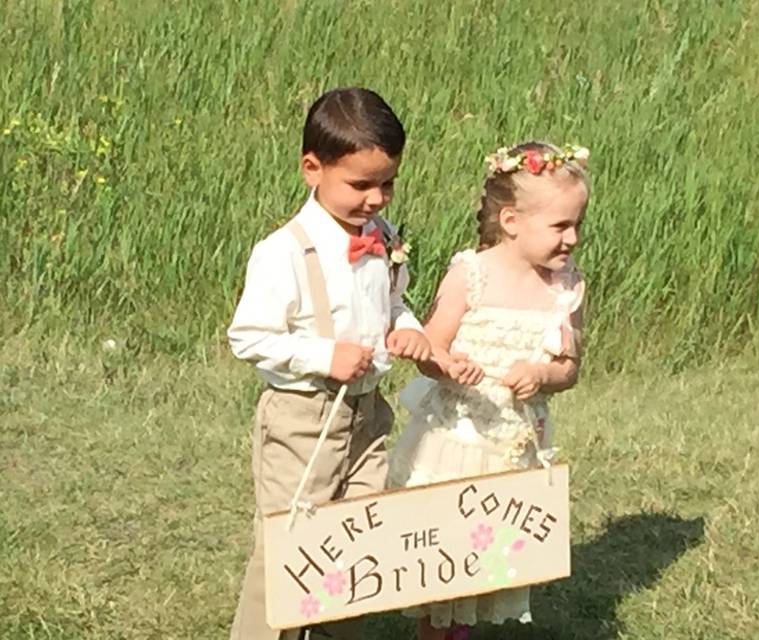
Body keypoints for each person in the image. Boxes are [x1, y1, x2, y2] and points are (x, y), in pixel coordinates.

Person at [227, 87, 431, 640]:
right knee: (290, 544)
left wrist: (407, 329)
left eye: (387, 183)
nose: (377, 198)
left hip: (367, 416)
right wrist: (324, 355)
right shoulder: (284, 252)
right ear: (312, 169)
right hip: (303, 416)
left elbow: (393, 300)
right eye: (360, 185)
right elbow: (248, 337)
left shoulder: (382, 239)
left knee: (356, 539)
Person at [388, 141, 590, 640]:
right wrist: (448, 365)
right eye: (560, 226)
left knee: (482, 563)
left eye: (578, 224)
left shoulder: (567, 287)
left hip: (514, 445)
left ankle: (457, 632)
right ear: (512, 220)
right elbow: (430, 348)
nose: (573, 238)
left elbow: (570, 368)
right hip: (457, 438)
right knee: (442, 566)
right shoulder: (471, 274)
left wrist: (543, 375)